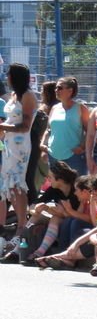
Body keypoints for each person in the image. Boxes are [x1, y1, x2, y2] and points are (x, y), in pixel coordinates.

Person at [0, 63, 38, 246]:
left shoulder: (28, 96)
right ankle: (19, 223)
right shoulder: (14, 95)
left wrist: (2, 127)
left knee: (18, 184)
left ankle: (22, 225)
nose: (7, 78)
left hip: (21, 146)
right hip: (8, 145)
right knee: (10, 185)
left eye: (9, 75)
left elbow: (24, 126)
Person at [41, 76, 89, 175]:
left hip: (74, 157)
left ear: (70, 90)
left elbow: (89, 131)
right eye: (56, 88)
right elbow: (48, 129)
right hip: (54, 155)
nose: (56, 90)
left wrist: (82, 147)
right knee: (57, 188)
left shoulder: (81, 108)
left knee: (76, 188)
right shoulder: (54, 108)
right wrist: (43, 145)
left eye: (60, 88)